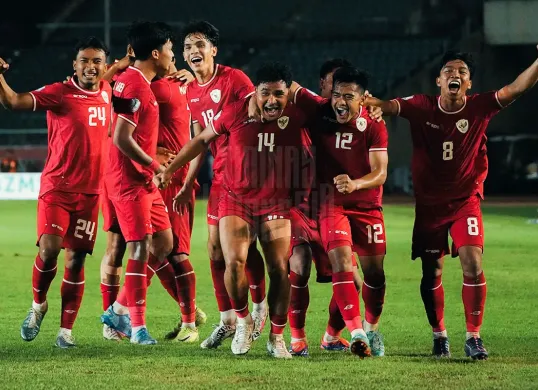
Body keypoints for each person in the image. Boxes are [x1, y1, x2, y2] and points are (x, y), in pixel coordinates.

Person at [364, 47, 538, 359]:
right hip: (430, 206)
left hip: (464, 201)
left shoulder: (479, 106)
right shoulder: (421, 106)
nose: (454, 75)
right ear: (438, 81)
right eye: (448, 71)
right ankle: (439, 335)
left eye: (461, 72)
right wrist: (369, 103)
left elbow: (517, 88)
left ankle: (473, 337)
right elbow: (388, 105)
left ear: (469, 83)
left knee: (473, 263)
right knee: (432, 273)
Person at [159, 62, 308, 358]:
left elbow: (335, 110)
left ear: (288, 93)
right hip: (235, 198)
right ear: (256, 91)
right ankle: (242, 322)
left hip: (275, 201)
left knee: (279, 268)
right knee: (233, 263)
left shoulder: (299, 114)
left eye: (279, 94)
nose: (271, 100)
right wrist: (171, 170)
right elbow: (202, 139)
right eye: (265, 93)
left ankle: (276, 337)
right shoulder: (237, 111)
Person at [0, 36, 112, 348]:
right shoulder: (59, 93)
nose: (90, 66)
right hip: (57, 188)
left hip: (90, 193)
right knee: (49, 249)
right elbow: (13, 102)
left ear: (104, 66)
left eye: (96, 61)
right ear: (74, 65)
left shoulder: (108, 91)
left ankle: (65, 332)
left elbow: (125, 72)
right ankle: (38, 305)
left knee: (76, 261)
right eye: (84, 61)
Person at [174, 20, 267, 349]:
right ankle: (229, 319)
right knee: (215, 250)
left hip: (247, 178)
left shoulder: (235, 79)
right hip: (221, 179)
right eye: (187, 47)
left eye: (200, 44)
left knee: (240, 251)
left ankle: (256, 309)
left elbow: (258, 115)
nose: (193, 51)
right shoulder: (191, 91)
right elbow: (199, 139)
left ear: (214, 49)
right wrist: (188, 183)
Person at [291, 66, 389, 358]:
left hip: (367, 206)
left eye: (348, 96)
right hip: (329, 203)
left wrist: (355, 183)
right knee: (340, 261)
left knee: (375, 276)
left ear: (363, 99)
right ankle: (357, 332)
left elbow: (381, 172)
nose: (340, 102)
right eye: (336, 95)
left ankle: (370, 330)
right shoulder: (320, 110)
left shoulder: (373, 124)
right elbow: (288, 83)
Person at [99, 21, 175, 345]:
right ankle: (138, 328)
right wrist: (154, 163)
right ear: (156, 53)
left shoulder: (127, 79)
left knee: (164, 244)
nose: (173, 55)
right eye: (171, 49)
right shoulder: (135, 85)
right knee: (140, 247)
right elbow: (120, 137)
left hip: (142, 179)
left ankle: (118, 308)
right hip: (129, 180)